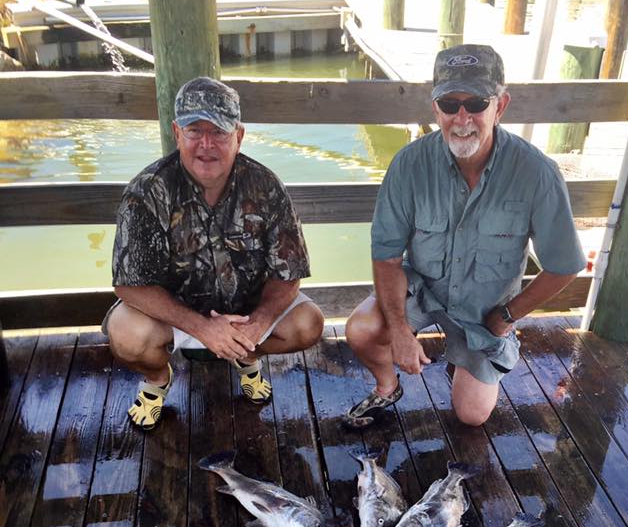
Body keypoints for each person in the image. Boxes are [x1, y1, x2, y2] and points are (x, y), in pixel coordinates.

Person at [344, 44, 586, 428]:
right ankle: (387, 387)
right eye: (448, 103)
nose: (462, 118)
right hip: (422, 290)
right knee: (360, 329)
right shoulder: (408, 165)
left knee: (472, 416)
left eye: (475, 103)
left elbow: (565, 265)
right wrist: (401, 330)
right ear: (434, 106)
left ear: (499, 106)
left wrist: (508, 316)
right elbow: (387, 256)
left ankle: (472, 358)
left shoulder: (537, 173)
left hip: (484, 313)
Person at [104, 76, 324, 429]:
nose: (206, 144)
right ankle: (157, 380)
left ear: (238, 136)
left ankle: (245, 356)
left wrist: (258, 325)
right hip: (176, 318)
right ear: (177, 133)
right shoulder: (146, 192)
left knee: (309, 323)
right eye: (194, 131)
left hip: (245, 314)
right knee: (126, 335)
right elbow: (129, 286)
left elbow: (290, 274)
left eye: (219, 132)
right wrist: (203, 328)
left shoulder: (266, 186)